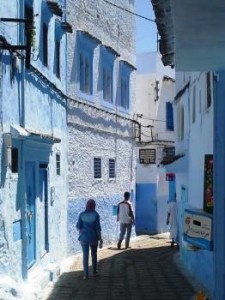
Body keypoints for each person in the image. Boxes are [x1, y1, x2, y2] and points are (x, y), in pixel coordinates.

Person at [76, 199, 103, 279]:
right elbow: (98, 228)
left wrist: (82, 229)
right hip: (93, 238)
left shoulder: (81, 214)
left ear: (86, 205)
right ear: (94, 205)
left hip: (83, 238)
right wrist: (100, 239)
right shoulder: (96, 215)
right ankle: (94, 272)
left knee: (85, 256)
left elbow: (78, 226)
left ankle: (86, 275)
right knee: (94, 255)